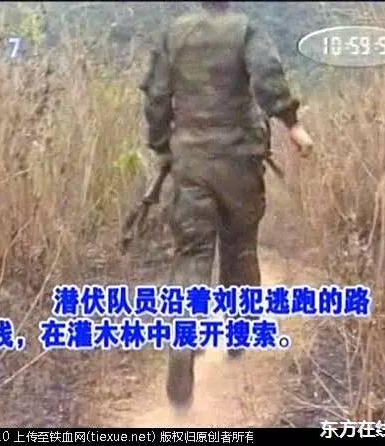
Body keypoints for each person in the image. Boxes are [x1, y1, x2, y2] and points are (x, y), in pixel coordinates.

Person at [139, 1, 314, 409]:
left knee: (192, 255)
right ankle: (239, 332)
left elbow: (156, 97)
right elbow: (267, 79)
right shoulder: (246, 30)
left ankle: (183, 337)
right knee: (239, 246)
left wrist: (163, 145)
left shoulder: (173, 34)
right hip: (239, 162)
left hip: (190, 163)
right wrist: (293, 124)